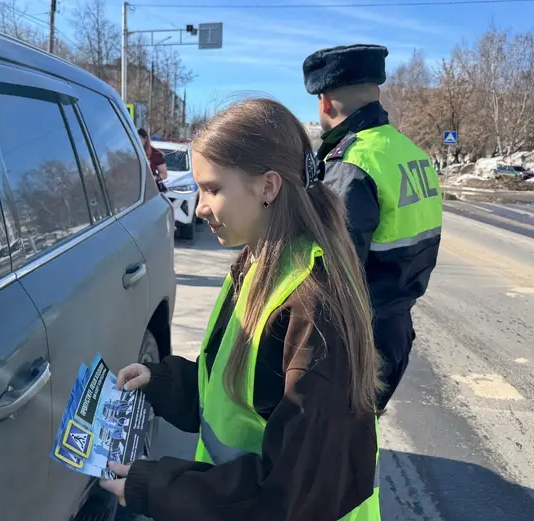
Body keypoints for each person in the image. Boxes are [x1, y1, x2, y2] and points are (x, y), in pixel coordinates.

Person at [100, 98, 382, 521]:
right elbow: (243, 395)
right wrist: (164, 383)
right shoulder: (259, 262)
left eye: (213, 189)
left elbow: (290, 493)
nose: (199, 207)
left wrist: (157, 488)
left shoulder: (313, 307)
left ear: (268, 187)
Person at [303, 44, 442, 409]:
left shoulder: (353, 162)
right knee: (365, 428)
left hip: (356, 336)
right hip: (397, 327)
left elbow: (332, 272)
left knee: (338, 434)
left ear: (325, 102)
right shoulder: (410, 153)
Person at [137, 128, 168, 192]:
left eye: (138, 139)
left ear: (145, 139)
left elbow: (164, 174)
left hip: (148, 189)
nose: (136, 142)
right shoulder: (129, 151)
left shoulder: (155, 154)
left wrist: (153, 178)